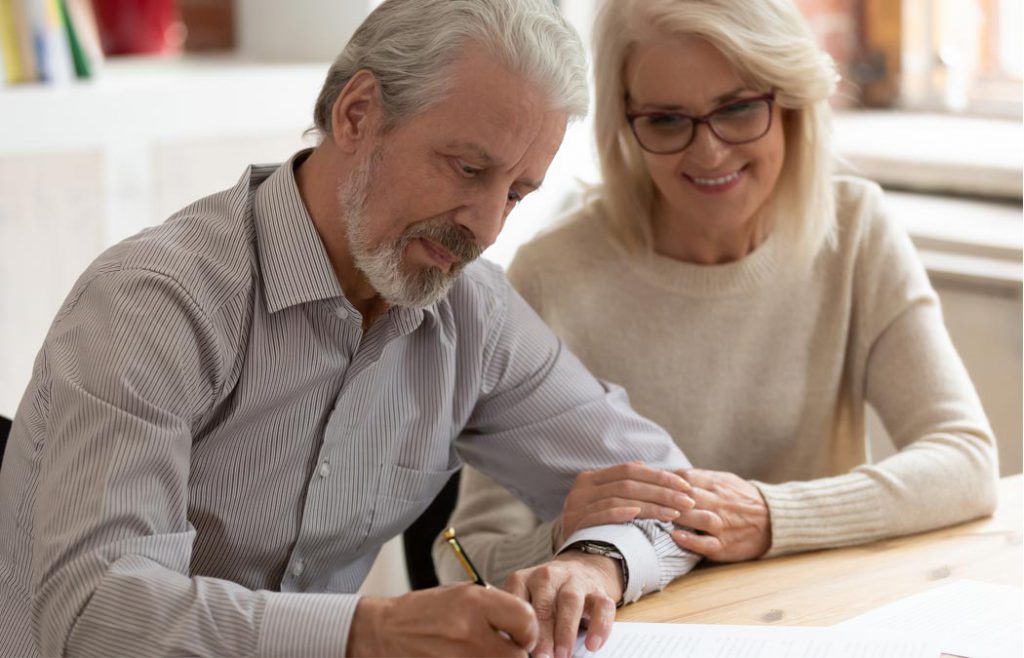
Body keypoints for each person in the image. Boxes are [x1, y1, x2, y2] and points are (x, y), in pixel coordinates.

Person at [0, 1, 705, 656]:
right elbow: (95, 612)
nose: (486, 227)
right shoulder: (153, 305)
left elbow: (675, 497)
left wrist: (598, 563)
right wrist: (369, 631)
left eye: (516, 193)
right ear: (358, 112)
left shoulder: (471, 312)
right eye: (468, 168)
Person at [434, 0, 999, 587]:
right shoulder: (552, 273)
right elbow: (464, 560)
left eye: (737, 109)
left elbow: (965, 460)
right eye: (667, 120)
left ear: (790, 104)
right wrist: (564, 543)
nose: (708, 153)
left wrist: (769, 518)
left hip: (820, 618)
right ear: (626, 122)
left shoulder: (855, 229)